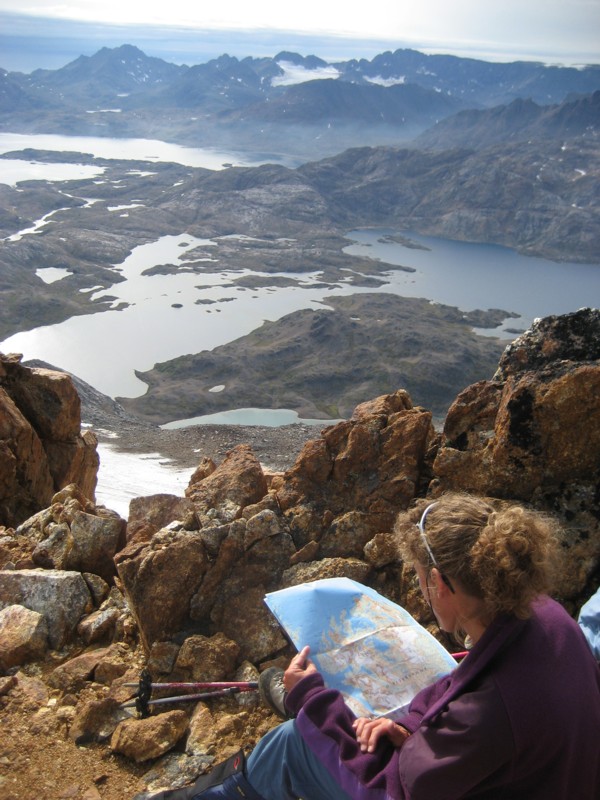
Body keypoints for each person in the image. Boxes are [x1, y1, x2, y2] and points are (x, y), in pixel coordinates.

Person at [146, 493, 600, 800]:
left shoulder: (491, 714)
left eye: (420, 579)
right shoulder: (544, 615)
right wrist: (412, 724)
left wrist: (312, 698)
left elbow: (393, 788)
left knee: (296, 743)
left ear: (440, 582)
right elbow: (467, 681)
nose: (421, 590)